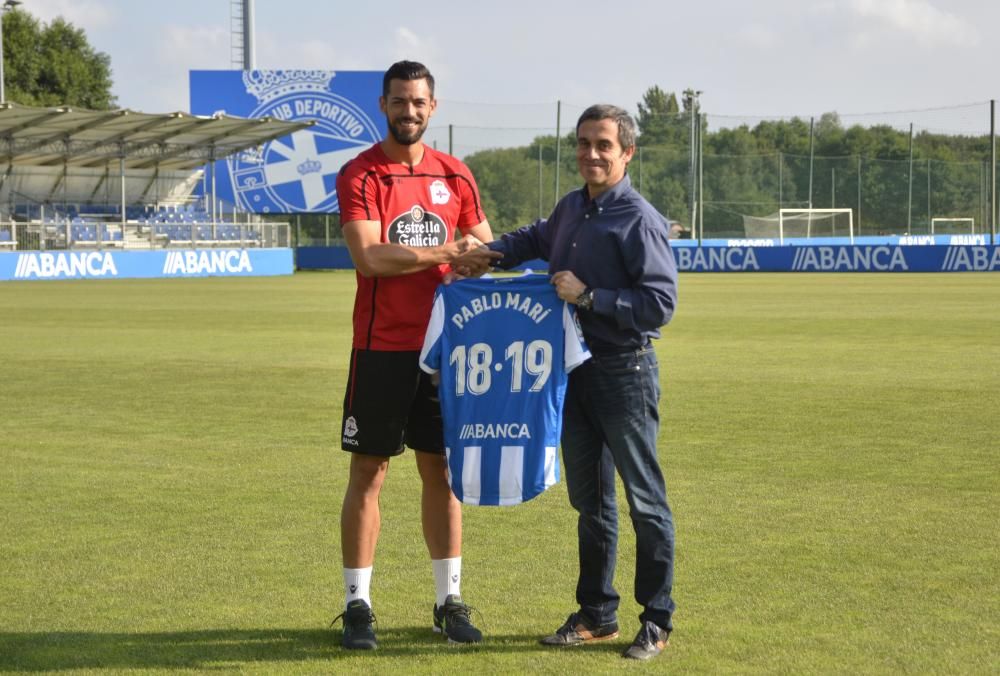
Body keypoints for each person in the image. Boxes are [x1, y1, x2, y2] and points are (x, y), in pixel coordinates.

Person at [486, 104, 679, 661]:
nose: (591, 154)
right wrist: (490, 253)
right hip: (574, 372)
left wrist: (591, 296)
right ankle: (597, 614)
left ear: (627, 153)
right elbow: (536, 237)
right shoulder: (573, 207)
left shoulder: (639, 219)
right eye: (583, 144)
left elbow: (660, 304)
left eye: (603, 145)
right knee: (590, 503)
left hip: (625, 372)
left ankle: (657, 620)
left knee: (646, 501)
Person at [332, 60, 501, 650]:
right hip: (381, 347)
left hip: (445, 350)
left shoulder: (456, 176)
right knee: (369, 472)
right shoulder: (360, 173)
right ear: (384, 105)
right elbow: (370, 257)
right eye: (399, 101)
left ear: (434, 107)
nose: (409, 111)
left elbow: (484, 248)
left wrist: (515, 257)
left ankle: (448, 600)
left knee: (443, 473)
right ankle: (358, 606)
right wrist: (446, 254)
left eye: (418, 102)